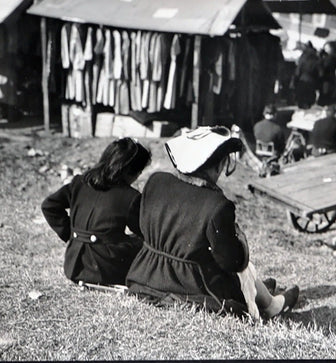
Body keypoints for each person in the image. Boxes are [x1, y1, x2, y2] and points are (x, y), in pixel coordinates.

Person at [126, 126, 299, 319]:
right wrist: (240, 239)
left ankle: (260, 293)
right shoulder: (217, 204)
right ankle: (271, 306)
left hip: (144, 277)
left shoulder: (156, 181)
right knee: (241, 266)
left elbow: (140, 225)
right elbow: (233, 262)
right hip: (187, 289)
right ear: (217, 166)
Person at [41, 138, 151, 285]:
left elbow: (49, 206)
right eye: (138, 172)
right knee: (141, 243)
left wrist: (72, 235)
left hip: (74, 265)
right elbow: (143, 231)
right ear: (129, 171)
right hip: (106, 269)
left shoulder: (80, 182)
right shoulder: (131, 196)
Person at [294, 42, 320, 109]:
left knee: (302, 96)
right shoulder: (316, 58)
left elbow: (298, 69)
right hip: (312, 80)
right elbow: (320, 71)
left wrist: (295, 80)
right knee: (309, 97)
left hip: (303, 79)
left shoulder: (303, 57)